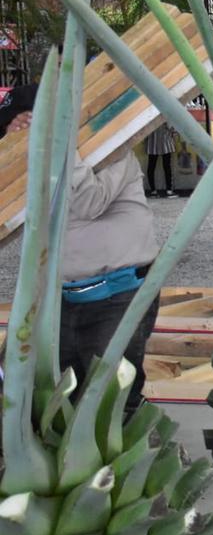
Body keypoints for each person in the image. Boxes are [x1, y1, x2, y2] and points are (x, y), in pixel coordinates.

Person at [0, 85, 159, 414]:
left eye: (28, 127)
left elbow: (89, 202)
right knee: (57, 395)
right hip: (61, 297)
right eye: (14, 130)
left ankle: (143, 457)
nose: (22, 137)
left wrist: (58, 144)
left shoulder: (115, 153)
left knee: (113, 399)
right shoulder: (35, 170)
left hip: (117, 294)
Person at [144, 120, 177, 197]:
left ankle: (153, 191)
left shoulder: (149, 113)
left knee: (151, 167)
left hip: (152, 143)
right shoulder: (166, 113)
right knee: (167, 167)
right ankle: (169, 190)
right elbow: (172, 128)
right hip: (165, 142)